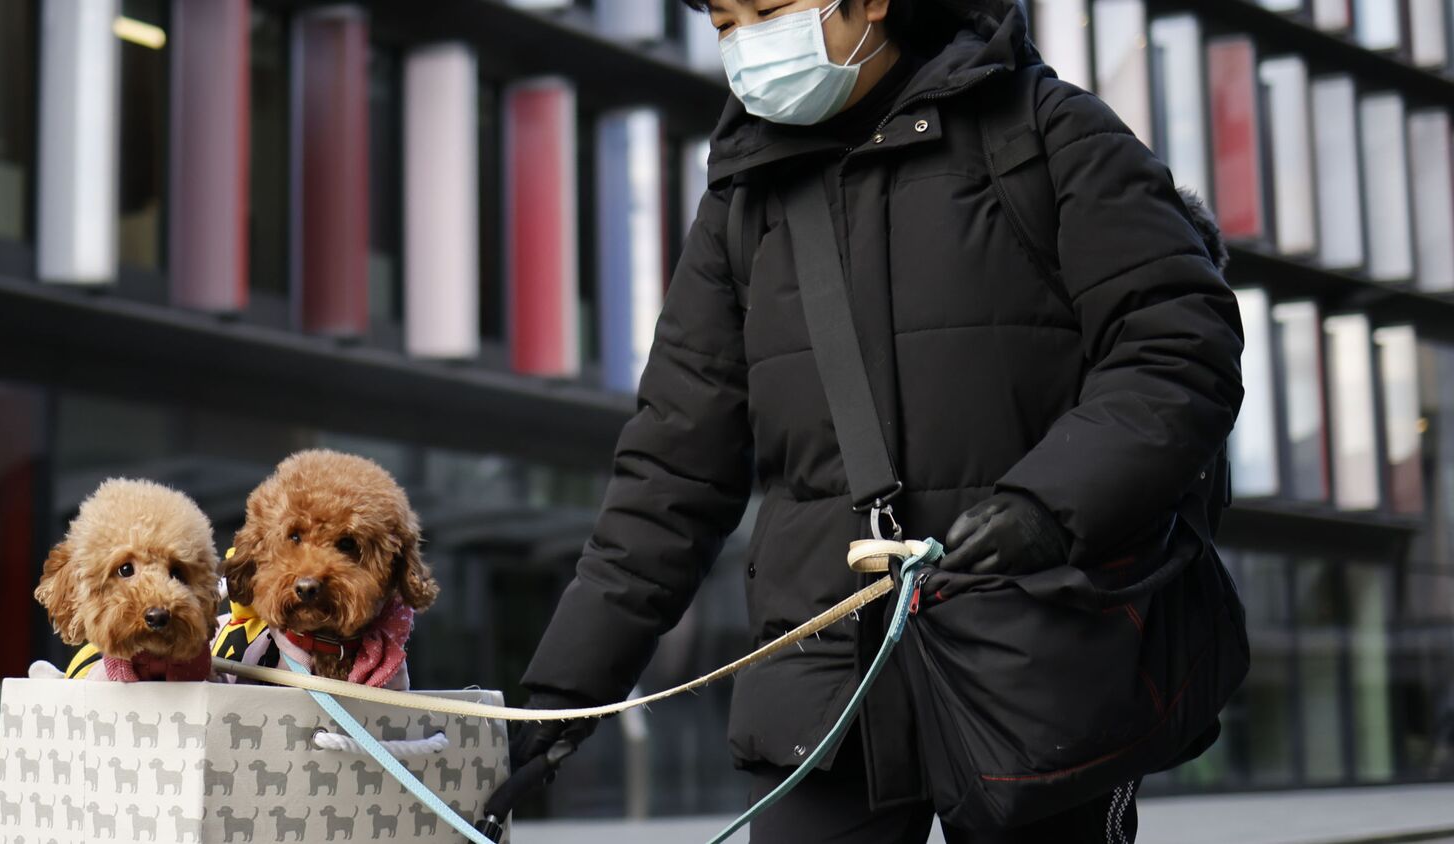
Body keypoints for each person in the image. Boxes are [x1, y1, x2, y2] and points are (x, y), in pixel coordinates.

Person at [508, 1, 1244, 842]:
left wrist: (1047, 508)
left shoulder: (1050, 133)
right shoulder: (744, 201)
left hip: (1040, 658)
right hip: (822, 688)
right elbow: (672, 470)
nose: (747, 41)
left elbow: (1179, 348)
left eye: (771, 9)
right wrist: (562, 699)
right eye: (724, 21)